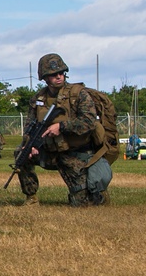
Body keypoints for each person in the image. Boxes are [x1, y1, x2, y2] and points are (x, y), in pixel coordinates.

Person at [16, 53, 112, 207]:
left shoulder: (78, 94)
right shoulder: (38, 99)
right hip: (50, 150)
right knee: (21, 154)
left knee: (82, 204)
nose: (59, 76)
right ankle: (31, 197)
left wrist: (62, 127)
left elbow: (89, 121)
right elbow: (30, 126)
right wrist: (30, 145)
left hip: (75, 153)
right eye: (54, 74)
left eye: (61, 73)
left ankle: (97, 194)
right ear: (45, 77)